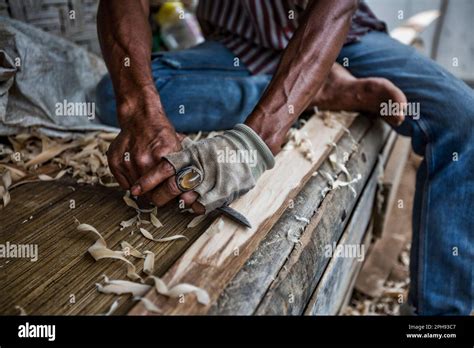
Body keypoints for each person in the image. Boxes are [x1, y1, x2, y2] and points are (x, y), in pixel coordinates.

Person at [95, 0, 473, 315]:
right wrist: (139, 107)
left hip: (339, 38)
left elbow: (335, 7)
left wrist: (251, 144)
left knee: (462, 118)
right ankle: (315, 89)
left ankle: (438, 320)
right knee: (112, 96)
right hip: (243, 43)